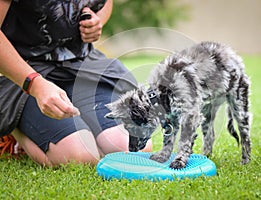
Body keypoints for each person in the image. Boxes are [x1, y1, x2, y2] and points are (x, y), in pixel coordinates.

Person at [0, 0, 152, 166]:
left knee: (135, 148)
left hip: (81, 65)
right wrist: (34, 84)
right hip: (21, 71)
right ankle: (12, 125)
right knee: (79, 157)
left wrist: (98, 19)